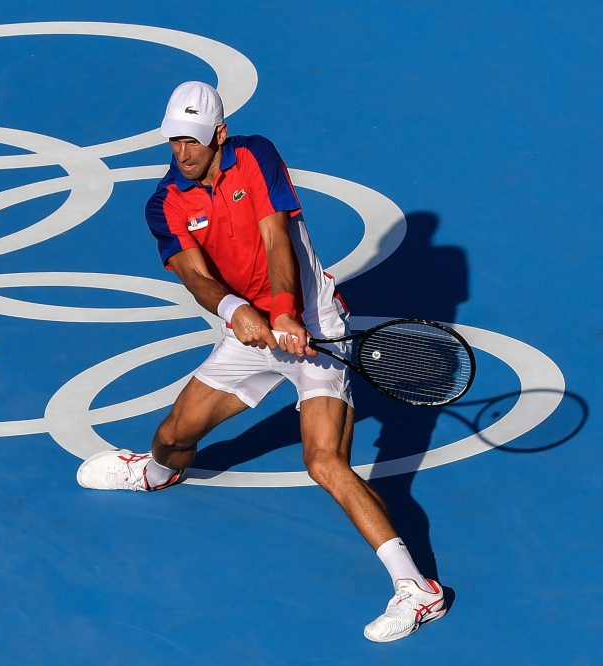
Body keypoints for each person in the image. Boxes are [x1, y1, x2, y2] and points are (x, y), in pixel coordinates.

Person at [76, 81, 447, 642]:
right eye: (174, 141)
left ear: (219, 134)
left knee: (324, 462)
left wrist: (284, 313)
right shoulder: (165, 202)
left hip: (312, 326)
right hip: (250, 331)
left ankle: (417, 591)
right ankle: (152, 475)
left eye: (193, 142)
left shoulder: (255, 155)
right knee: (173, 435)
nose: (182, 153)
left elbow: (277, 240)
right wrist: (235, 310)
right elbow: (196, 275)